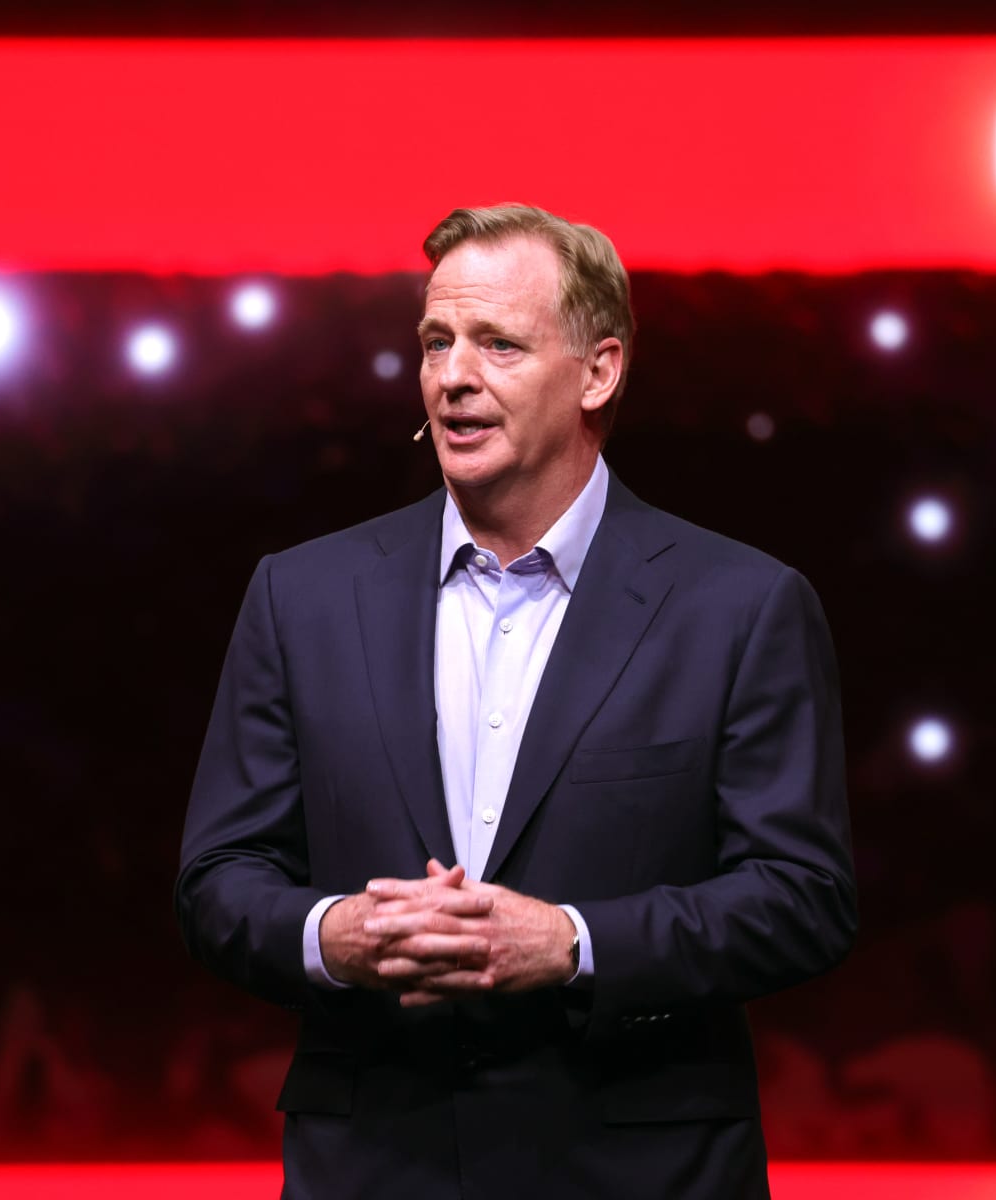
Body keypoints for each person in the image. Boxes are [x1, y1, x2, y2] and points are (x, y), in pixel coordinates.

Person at [176, 203, 856, 1199]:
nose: (453, 375)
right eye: (436, 341)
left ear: (599, 372)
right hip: (375, 1170)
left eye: (497, 343)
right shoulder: (302, 595)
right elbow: (217, 881)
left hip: (637, 1176)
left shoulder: (741, 606)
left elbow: (804, 898)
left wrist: (573, 944)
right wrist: (334, 936)